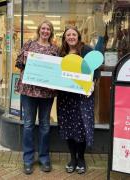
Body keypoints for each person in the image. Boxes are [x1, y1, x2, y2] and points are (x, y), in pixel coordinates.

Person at [15, 20, 58, 175]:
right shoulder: (29, 44)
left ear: (51, 32)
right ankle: (28, 160)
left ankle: (44, 158)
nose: (45, 31)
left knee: (45, 125)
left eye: (48, 29)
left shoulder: (55, 49)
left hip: (46, 93)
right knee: (28, 124)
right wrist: (25, 58)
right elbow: (18, 63)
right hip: (29, 91)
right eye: (43, 28)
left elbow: (59, 70)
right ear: (39, 30)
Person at [57, 26, 100, 174]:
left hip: (82, 96)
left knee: (81, 127)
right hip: (66, 97)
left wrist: (93, 83)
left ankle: (81, 158)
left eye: (73, 34)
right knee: (69, 126)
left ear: (78, 36)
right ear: (65, 38)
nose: (71, 37)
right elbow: (55, 71)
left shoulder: (86, 50)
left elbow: (96, 69)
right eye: (68, 34)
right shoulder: (61, 52)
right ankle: (72, 158)